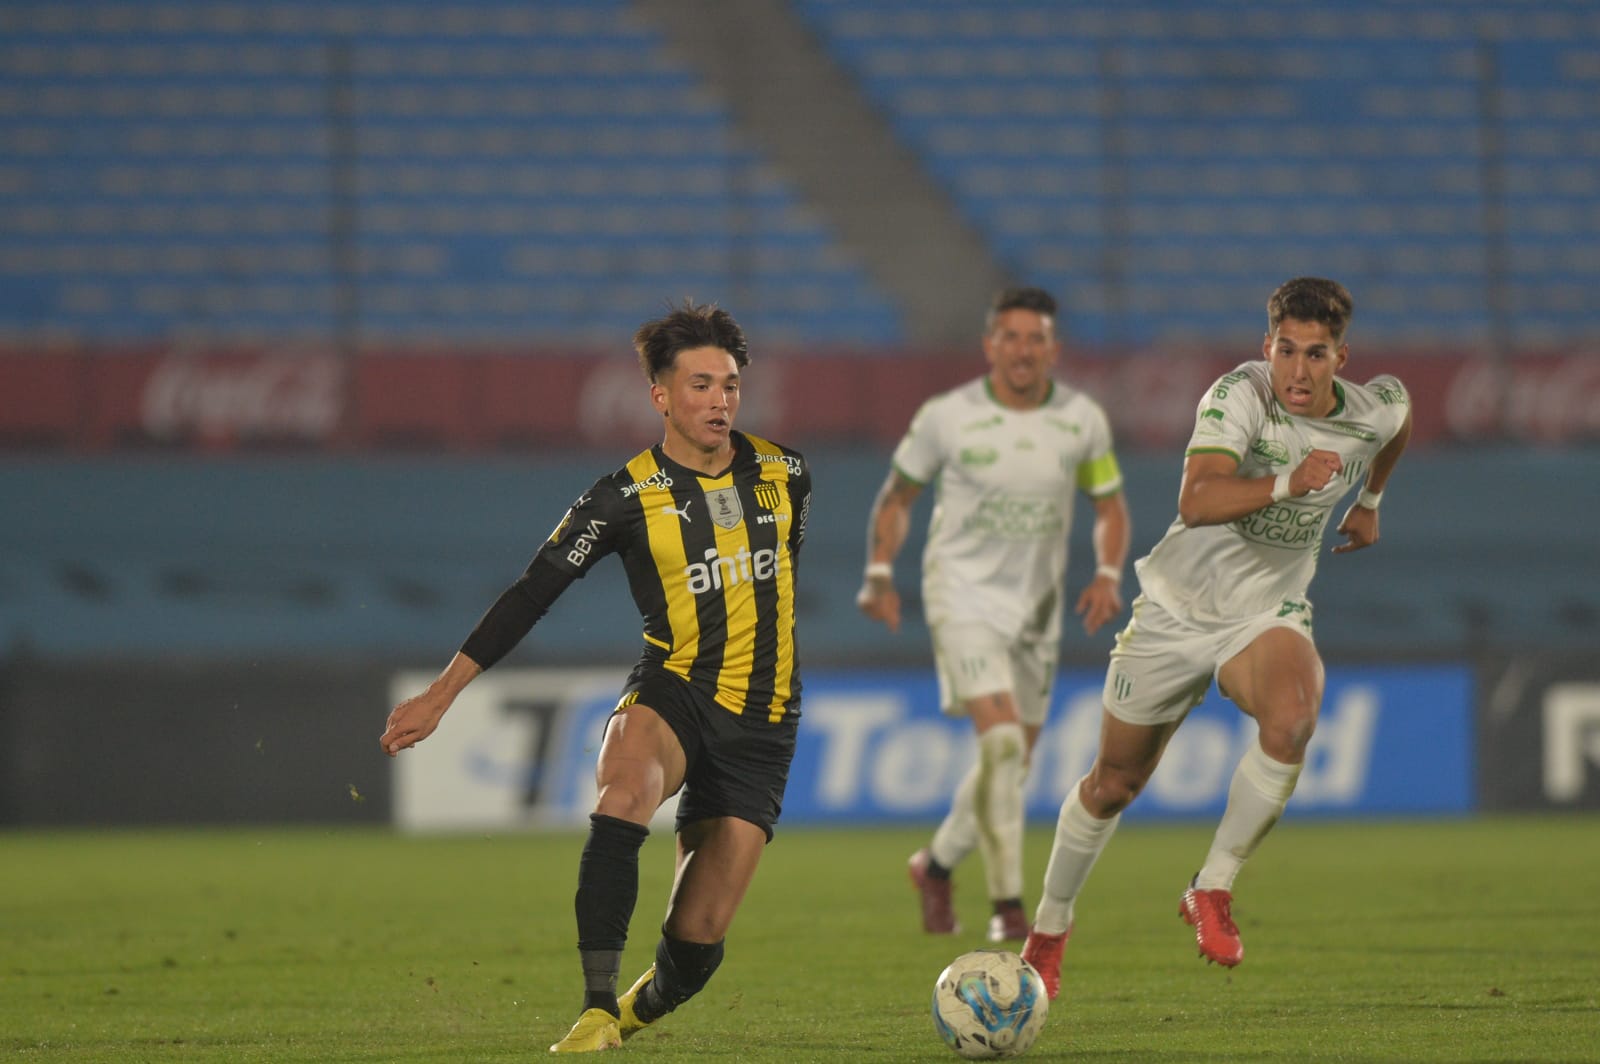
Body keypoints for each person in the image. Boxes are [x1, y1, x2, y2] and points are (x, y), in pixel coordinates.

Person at [379, 300, 812, 1054]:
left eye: (732, 384)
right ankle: (594, 1006)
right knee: (623, 795)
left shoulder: (787, 473)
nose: (721, 400)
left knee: (698, 943)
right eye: (702, 384)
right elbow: (531, 594)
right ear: (661, 396)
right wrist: (443, 693)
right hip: (674, 689)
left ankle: (637, 1010)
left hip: (763, 723)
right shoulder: (621, 498)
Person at [1019, 277, 1414, 997]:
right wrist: (1290, 484)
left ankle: (1213, 886)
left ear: (1341, 358)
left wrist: (1371, 501)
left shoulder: (1374, 409)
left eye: (1316, 354)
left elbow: (1398, 424)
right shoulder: (1238, 396)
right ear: (1266, 348)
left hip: (1264, 611)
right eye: (1285, 350)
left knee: (1293, 718)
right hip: (1174, 610)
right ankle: (1048, 930)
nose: (1298, 370)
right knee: (1113, 785)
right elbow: (1197, 501)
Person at [856, 286, 1131, 943]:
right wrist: (877, 573)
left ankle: (936, 865)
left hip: (1035, 613)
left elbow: (1110, 506)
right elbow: (897, 498)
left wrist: (1107, 574)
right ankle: (1009, 907)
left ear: (1053, 350)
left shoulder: (1081, 419)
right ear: (989, 346)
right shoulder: (946, 417)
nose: (1023, 349)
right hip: (962, 597)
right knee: (1003, 745)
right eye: (1010, 337)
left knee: (1010, 762)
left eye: (1036, 338)